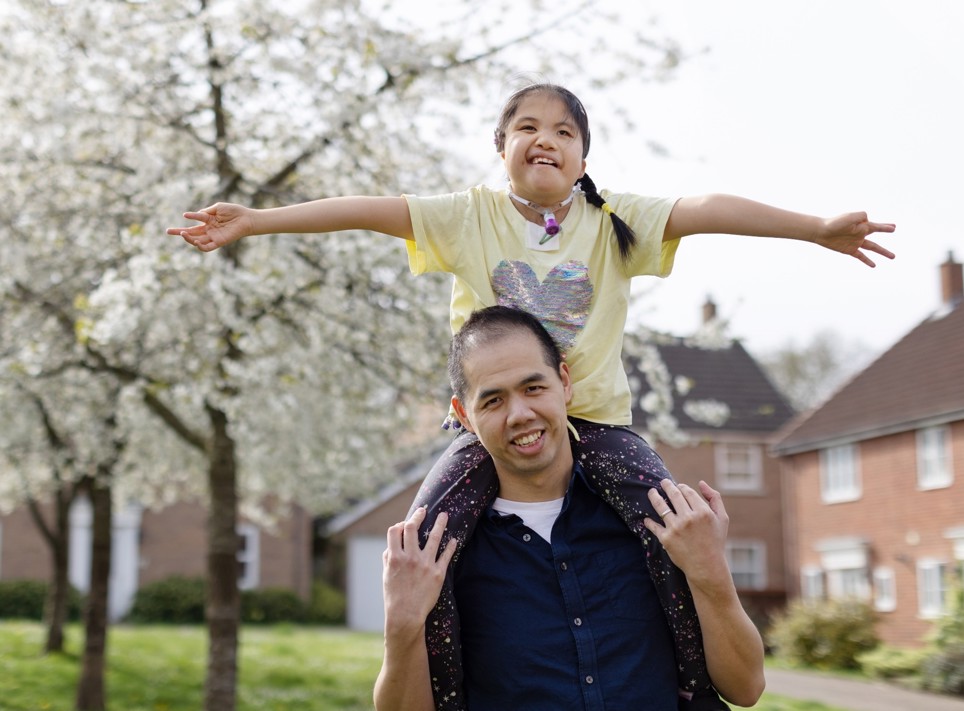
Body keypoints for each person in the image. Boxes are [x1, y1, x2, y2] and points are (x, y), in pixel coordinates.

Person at [169, 82, 895, 708]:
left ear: (584, 159)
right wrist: (260, 221)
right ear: (499, 144)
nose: (545, 139)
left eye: (564, 131)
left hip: (602, 426)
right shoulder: (468, 216)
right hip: (480, 438)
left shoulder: (614, 220)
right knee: (426, 541)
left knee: (671, 530)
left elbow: (705, 207)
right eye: (527, 127)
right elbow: (367, 209)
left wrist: (813, 229)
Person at [374, 305, 765, 711]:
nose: (520, 414)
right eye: (493, 401)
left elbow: (746, 688)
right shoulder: (441, 560)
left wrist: (710, 573)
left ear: (564, 382)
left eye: (533, 388)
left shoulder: (652, 528)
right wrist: (402, 623)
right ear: (463, 416)